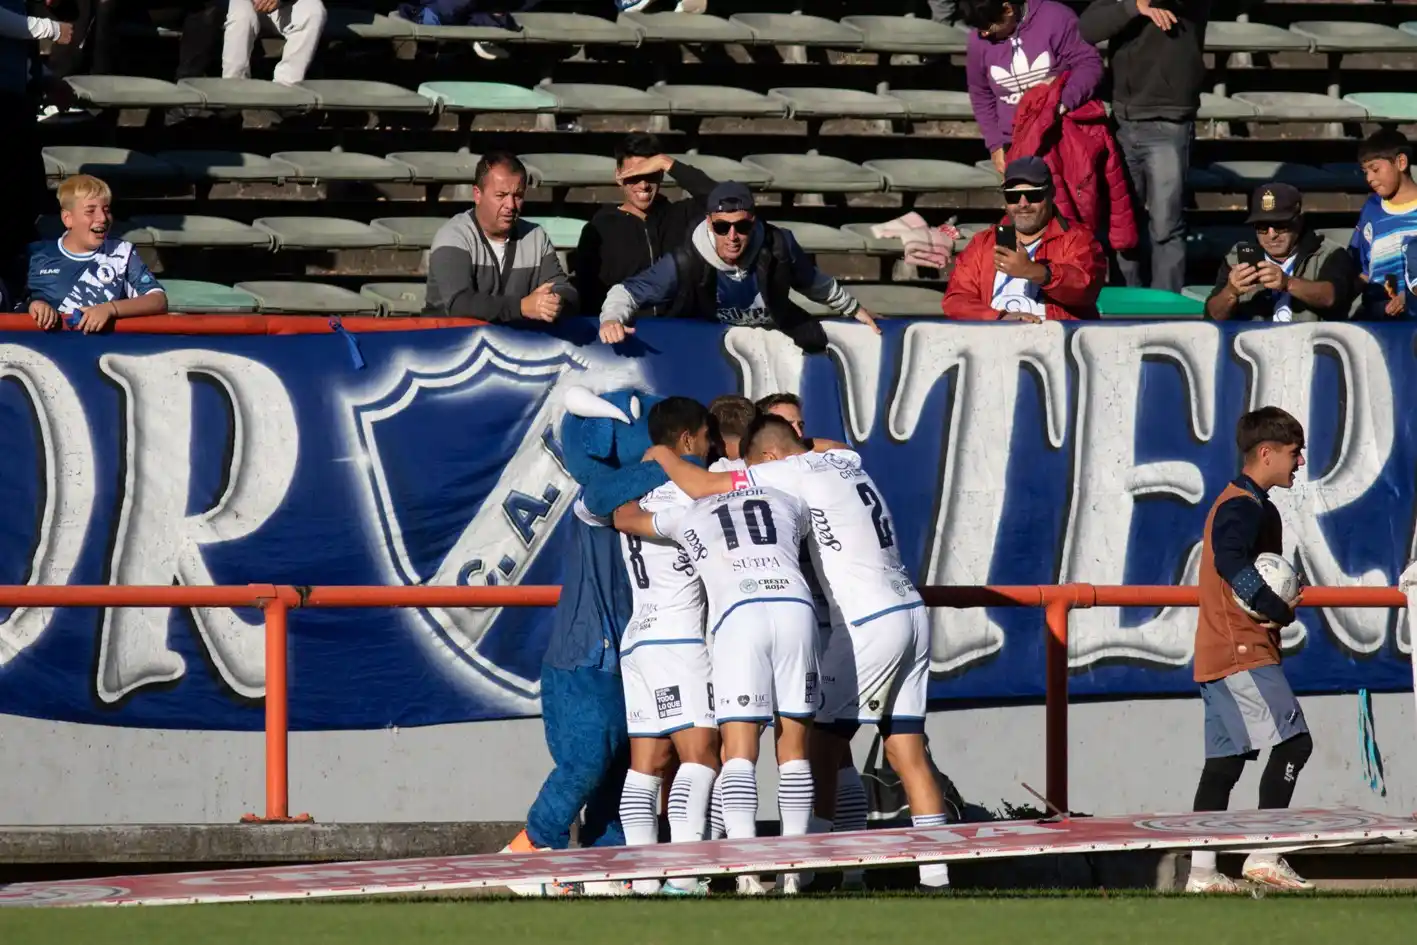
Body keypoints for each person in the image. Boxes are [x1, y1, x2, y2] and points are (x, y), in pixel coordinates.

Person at [645, 415, 952, 893]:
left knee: (820, 744)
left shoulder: (785, 471)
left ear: (767, 459)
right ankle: (937, 879)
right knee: (905, 747)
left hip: (867, 619)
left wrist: (661, 455)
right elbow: (825, 442)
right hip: (910, 606)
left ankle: (813, 871)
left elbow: (703, 483)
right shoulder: (841, 459)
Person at [612, 444, 819, 895]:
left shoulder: (686, 506)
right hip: (776, 612)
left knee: (689, 760)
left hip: (675, 630)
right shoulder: (782, 496)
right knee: (775, 750)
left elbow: (619, 518)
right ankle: (787, 876)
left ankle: (702, 878)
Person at [1187, 407, 1312, 893]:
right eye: (1293, 452)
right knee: (1294, 742)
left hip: (1218, 650)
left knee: (1225, 762)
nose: (1300, 461)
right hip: (1240, 649)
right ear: (1266, 453)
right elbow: (1230, 558)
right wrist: (1271, 606)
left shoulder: (1252, 504)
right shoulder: (1243, 505)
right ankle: (1265, 852)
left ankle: (1201, 874)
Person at [613, 397, 719, 898]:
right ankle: (683, 876)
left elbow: (616, 517)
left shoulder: (636, 496)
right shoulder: (686, 496)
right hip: (678, 636)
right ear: (686, 441)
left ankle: (642, 877)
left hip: (639, 639)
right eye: (706, 438)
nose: (711, 447)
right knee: (699, 756)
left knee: (647, 765)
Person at [597, 182, 878, 351]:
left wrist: (853, 308)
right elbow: (627, 292)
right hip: (710, 346)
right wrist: (611, 319)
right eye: (722, 227)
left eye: (741, 226)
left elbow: (812, 281)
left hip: (774, 340)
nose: (732, 237)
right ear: (709, 223)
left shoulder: (778, 244)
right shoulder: (686, 260)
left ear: (752, 222)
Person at [1079, 0, 1211, 293]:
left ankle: (1167, 310)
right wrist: (1133, 6)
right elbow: (1086, 29)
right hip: (1123, 120)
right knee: (1123, 221)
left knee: (1166, 225)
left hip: (1169, 121)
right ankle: (1128, 302)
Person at [942, 157, 1105, 321]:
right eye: (1013, 196)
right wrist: (1001, 318)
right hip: (996, 341)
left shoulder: (1077, 238)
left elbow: (1086, 288)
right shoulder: (983, 243)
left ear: (1051, 193)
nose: (1023, 203)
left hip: (1055, 341)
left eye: (1033, 194)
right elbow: (955, 301)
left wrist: (1035, 271)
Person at [574, 134, 718, 317]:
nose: (643, 185)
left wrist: (668, 163)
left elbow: (726, 202)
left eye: (650, 174)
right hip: (625, 335)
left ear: (661, 175)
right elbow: (588, 295)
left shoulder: (683, 215)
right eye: (634, 176)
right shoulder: (599, 229)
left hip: (682, 332)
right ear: (618, 176)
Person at [425, 152, 578, 322]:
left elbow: (566, 291)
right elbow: (459, 304)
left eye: (518, 196)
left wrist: (553, 302)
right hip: (447, 343)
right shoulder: (454, 236)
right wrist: (521, 307)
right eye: (501, 195)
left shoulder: (535, 237)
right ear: (477, 194)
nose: (511, 205)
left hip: (514, 344)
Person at [957, 0, 1105, 175]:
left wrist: (1062, 103)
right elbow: (981, 94)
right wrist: (995, 144)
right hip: (1014, 144)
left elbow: (1088, 63)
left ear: (1007, 9)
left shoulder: (1056, 17)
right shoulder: (978, 40)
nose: (984, 34)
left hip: (1062, 137)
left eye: (988, 26)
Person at [27, 174, 168, 332]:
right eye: (90, 211)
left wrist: (110, 309)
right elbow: (12, 302)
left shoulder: (123, 253)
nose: (102, 218)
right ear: (67, 218)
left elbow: (158, 300)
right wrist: (34, 306)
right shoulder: (36, 255)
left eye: (106, 210)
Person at [1204, 183, 1355, 323]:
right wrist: (1230, 292)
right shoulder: (1236, 257)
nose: (1271, 235)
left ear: (1299, 221)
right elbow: (1213, 316)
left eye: (1280, 225)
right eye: (1262, 227)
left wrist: (1288, 283)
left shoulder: (1329, 253)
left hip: (1310, 346)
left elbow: (1331, 298)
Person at [0, 1, 69, 290]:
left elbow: (16, 50)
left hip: (15, 100)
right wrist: (51, 29)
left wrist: (44, 77)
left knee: (25, 199)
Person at [1351, 129, 1417, 319]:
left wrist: (1410, 297)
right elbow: (1362, 269)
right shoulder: (1371, 209)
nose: (1369, 178)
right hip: (1377, 325)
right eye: (1365, 172)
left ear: (1401, 162)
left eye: (1375, 169)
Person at [223, 0, 328, 86]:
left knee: (314, 11)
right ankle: (233, 87)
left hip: (288, 4)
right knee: (242, 17)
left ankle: (285, 89)